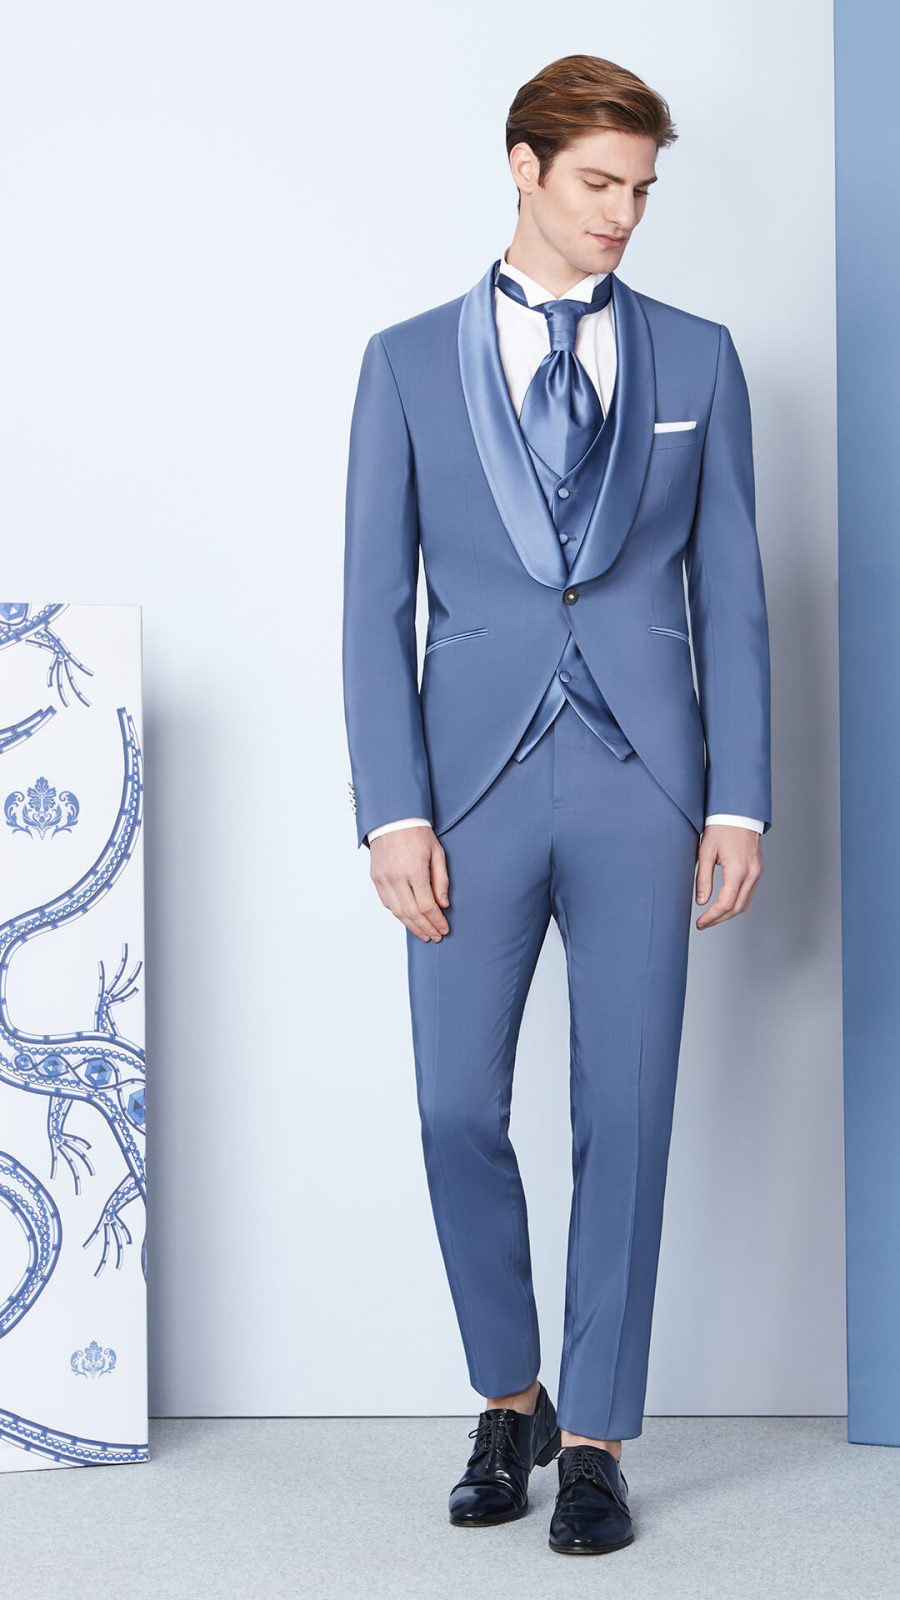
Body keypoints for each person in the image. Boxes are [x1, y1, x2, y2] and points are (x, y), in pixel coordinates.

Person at [342, 52, 771, 1556]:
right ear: (522, 167)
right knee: (455, 1104)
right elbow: (370, 606)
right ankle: (509, 1394)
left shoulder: (699, 359)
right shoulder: (405, 362)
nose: (624, 213)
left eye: (643, 189)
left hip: (647, 781)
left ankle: (594, 1440)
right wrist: (391, 811)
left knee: (628, 1109)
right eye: (599, 182)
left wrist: (741, 801)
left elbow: (735, 595)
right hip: (469, 788)